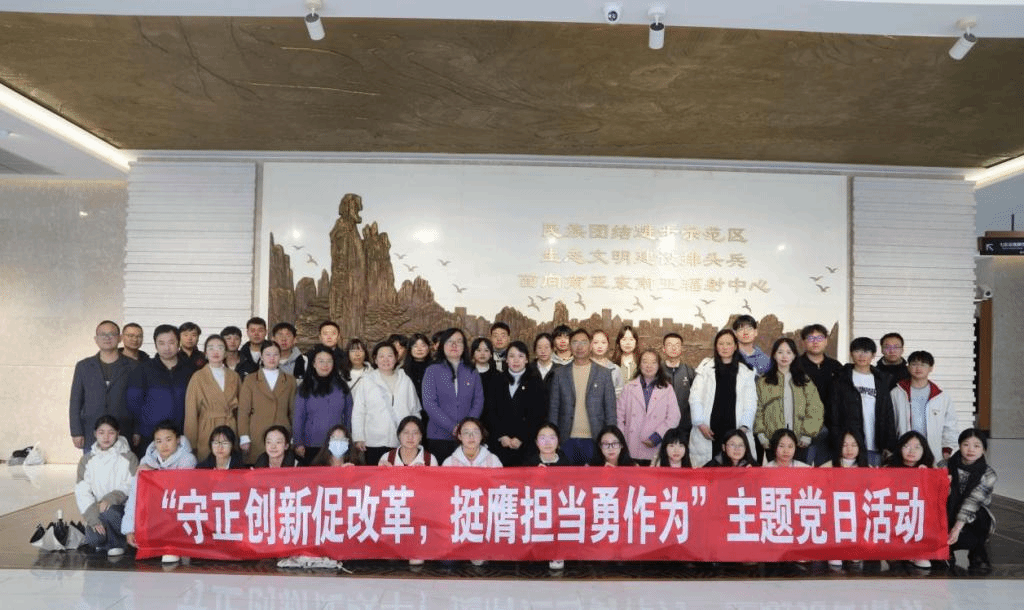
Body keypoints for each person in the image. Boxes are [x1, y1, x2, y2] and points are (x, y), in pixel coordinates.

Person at [122, 420, 197, 563]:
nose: (164, 445)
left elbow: (179, 487)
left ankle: (172, 547)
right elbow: (134, 496)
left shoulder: (188, 459)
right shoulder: (146, 461)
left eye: (168, 439)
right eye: (159, 441)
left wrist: (153, 473)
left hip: (177, 512)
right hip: (154, 514)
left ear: (178, 439)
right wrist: (129, 529)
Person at [548, 328, 617, 465]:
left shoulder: (604, 374)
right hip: (566, 439)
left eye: (584, 342)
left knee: (594, 477)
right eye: (575, 342)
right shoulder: (559, 374)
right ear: (570, 346)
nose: (579, 346)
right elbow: (554, 408)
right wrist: (552, 438)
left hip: (595, 439)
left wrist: (611, 440)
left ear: (590, 345)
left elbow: (610, 410)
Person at [689, 329, 757, 467]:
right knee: (708, 473)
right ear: (716, 346)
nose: (725, 347)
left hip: (736, 431)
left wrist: (743, 429)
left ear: (735, 346)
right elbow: (695, 398)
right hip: (708, 431)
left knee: (736, 472)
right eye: (721, 344)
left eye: (728, 343)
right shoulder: (705, 368)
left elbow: (751, 402)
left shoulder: (746, 371)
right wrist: (700, 424)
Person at [125, 324, 196, 457]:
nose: (167, 348)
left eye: (171, 342)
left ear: (178, 343)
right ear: (156, 345)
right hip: (150, 435)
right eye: (161, 343)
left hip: (182, 435)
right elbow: (133, 403)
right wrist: (137, 430)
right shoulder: (143, 370)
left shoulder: (189, 370)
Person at [70, 320, 139, 452]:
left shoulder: (133, 366)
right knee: (93, 464)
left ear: (120, 338)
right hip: (92, 431)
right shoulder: (83, 366)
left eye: (112, 334)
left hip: (124, 430)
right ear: (96, 339)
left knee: (124, 465)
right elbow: (75, 401)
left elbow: (138, 402)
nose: (107, 338)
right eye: (103, 334)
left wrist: (137, 430)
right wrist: (76, 431)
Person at [74, 415, 137, 556]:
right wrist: (92, 518)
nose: (106, 437)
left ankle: (116, 544)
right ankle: (111, 540)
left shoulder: (129, 457)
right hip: (98, 511)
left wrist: (111, 498)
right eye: (101, 432)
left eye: (111, 432)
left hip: (122, 510)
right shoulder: (87, 460)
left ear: (118, 433)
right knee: (93, 538)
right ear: (95, 434)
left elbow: (133, 485)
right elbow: (82, 491)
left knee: (110, 512)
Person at [830, 337, 897, 466]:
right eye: (857, 351)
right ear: (851, 354)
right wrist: (837, 439)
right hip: (849, 447)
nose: (861, 355)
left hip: (875, 444)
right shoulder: (841, 378)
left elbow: (888, 413)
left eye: (866, 352)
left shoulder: (881, 380)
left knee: (873, 478)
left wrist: (889, 444)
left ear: (873, 355)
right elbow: (834, 413)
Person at [754, 337, 824, 464]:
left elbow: (815, 408)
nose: (784, 356)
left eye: (788, 352)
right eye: (780, 352)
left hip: (800, 441)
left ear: (794, 356)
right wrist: (761, 434)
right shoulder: (764, 381)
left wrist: (808, 434)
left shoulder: (804, 381)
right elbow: (758, 409)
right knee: (776, 475)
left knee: (799, 475)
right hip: (773, 441)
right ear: (774, 355)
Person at [352, 342, 422, 466]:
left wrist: (415, 435)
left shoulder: (405, 380)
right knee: (376, 477)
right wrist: (358, 437)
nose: (386, 360)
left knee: (400, 477)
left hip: (402, 442)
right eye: (381, 356)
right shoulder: (366, 381)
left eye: (390, 356)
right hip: (374, 442)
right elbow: (358, 411)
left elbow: (415, 411)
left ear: (396, 358)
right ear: (375, 359)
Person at [421, 328, 484, 464]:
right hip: (438, 436)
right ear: (442, 345)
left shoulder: (472, 371)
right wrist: (452, 427)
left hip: (468, 437)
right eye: (450, 341)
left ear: (464, 347)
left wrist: (465, 428)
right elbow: (429, 403)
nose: (454, 345)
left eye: (459, 341)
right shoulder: (432, 370)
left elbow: (478, 401)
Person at [484, 340, 547, 467]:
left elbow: (538, 415)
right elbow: (490, 411)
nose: (516, 360)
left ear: (527, 360)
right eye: (512, 356)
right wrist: (501, 436)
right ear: (506, 360)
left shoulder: (535, 382)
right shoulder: (496, 380)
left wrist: (521, 438)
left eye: (520, 356)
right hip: (500, 444)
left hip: (526, 446)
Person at [942, 429, 997, 571]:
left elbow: (972, 503)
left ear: (984, 450)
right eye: (966, 444)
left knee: (981, 516)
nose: (971, 449)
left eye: (976, 446)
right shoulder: (944, 466)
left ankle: (978, 552)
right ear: (959, 446)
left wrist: (956, 529)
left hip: (973, 518)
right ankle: (946, 551)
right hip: (947, 513)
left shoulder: (988, 474)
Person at [891, 350, 958, 461]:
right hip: (905, 450)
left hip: (932, 450)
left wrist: (947, 449)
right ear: (908, 367)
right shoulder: (897, 393)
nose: (918, 368)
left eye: (923, 365)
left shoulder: (941, 396)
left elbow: (950, 425)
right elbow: (890, 423)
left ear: (931, 368)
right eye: (914, 364)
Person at [617, 348, 680, 465]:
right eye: (645, 361)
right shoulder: (629, 387)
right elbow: (619, 417)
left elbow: (674, 417)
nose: (649, 366)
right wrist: (621, 441)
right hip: (631, 445)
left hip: (656, 446)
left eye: (653, 362)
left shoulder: (667, 389)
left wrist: (657, 436)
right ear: (639, 364)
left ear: (659, 365)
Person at [238, 342, 298, 464]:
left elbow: (293, 412)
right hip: (257, 433)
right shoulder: (250, 379)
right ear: (261, 356)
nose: (272, 358)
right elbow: (243, 411)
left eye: (275, 354)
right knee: (258, 468)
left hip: (282, 433)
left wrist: (294, 436)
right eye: (268, 354)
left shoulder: (290, 380)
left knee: (281, 467)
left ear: (280, 357)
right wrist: (244, 436)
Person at [183, 334, 241, 462]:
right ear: (205, 353)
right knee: (208, 465)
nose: (215, 352)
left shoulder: (234, 376)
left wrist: (242, 435)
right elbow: (191, 411)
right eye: (211, 348)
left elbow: (241, 410)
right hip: (207, 428)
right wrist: (191, 442)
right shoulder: (198, 377)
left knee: (231, 465)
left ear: (225, 353)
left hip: (230, 426)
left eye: (220, 348)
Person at [883, 430, 935, 569]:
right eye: (906, 446)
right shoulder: (888, 468)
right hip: (895, 515)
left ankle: (917, 552)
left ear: (924, 450)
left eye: (917, 447)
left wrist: (927, 479)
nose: (911, 451)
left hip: (917, 517)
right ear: (900, 448)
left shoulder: (930, 470)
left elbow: (936, 500)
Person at [294, 345, 352, 464]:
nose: (325, 365)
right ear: (314, 364)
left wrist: (349, 439)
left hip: (337, 445)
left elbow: (349, 415)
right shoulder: (305, 387)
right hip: (311, 444)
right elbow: (298, 417)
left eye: (329, 361)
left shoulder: (342, 386)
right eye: (321, 361)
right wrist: (298, 442)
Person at [797, 324, 844, 465]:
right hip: (803, 429)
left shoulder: (836, 367)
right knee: (802, 469)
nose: (815, 342)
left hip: (830, 428)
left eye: (819, 338)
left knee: (825, 471)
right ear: (803, 342)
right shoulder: (796, 366)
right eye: (811, 338)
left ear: (826, 341)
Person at [823, 428, 868, 569]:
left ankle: (854, 548)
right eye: (845, 445)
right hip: (835, 512)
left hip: (858, 513)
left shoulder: (868, 468)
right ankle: (835, 550)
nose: (849, 449)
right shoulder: (828, 466)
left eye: (854, 445)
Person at [661, 333, 696, 440]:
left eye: (677, 345)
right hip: (661, 426)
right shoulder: (658, 371)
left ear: (681, 348)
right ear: (663, 349)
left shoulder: (689, 371)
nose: (674, 348)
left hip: (684, 427)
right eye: (670, 345)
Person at [591, 329, 625, 396]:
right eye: (595, 342)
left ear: (608, 346)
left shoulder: (615, 369)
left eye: (603, 342)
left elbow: (619, 393)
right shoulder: (583, 367)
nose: (600, 346)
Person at [402, 333, 433, 401]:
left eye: (423, 346)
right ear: (410, 349)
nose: (419, 349)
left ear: (428, 348)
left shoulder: (436, 368)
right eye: (415, 346)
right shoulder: (403, 371)